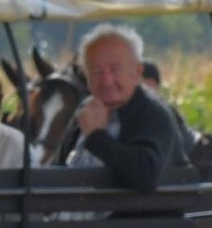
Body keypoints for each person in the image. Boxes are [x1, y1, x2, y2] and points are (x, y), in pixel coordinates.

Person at [61, 24, 188, 191]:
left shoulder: (153, 114)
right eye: (97, 72)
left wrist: (96, 137)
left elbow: (145, 174)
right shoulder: (84, 113)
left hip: (139, 216)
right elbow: (58, 168)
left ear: (136, 72)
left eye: (116, 70)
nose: (106, 81)